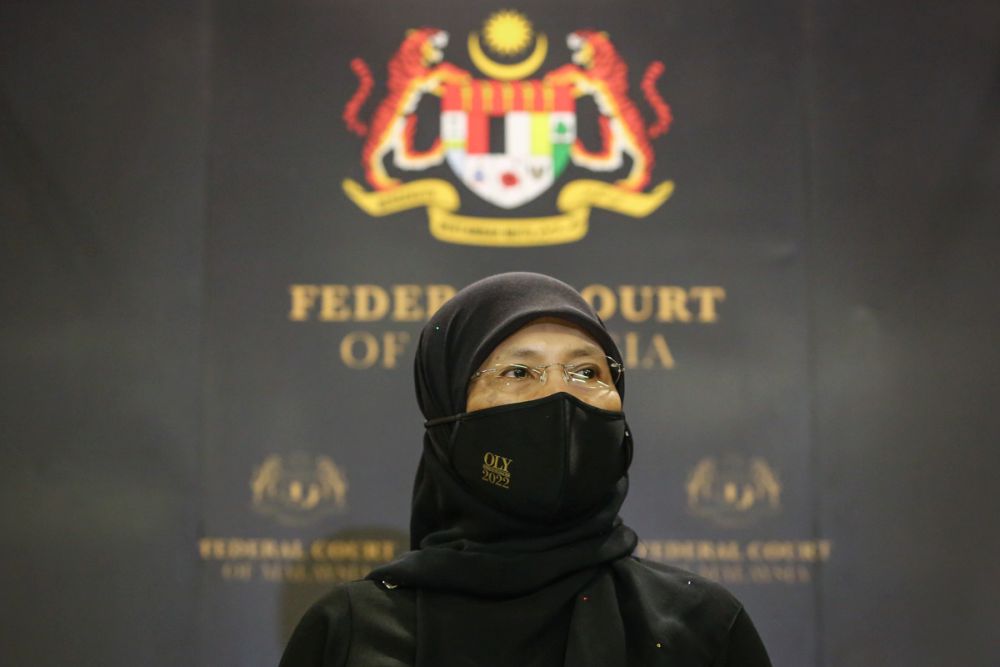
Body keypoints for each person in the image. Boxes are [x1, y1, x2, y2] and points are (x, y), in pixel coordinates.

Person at [280, 272, 772, 666]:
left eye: (587, 371)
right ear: (448, 410)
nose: (560, 395)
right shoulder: (351, 632)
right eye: (518, 372)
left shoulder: (700, 626)